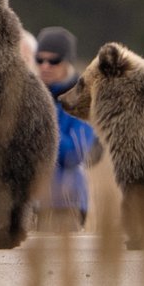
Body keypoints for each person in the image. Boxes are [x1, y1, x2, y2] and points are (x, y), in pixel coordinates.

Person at [34, 27, 97, 231]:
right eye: (40, 60)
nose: (45, 66)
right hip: (32, 203)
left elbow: (76, 153)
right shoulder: (29, 97)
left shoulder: (81, 101)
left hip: (67, 204)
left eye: (53, 61)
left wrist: (40, 131)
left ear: (67, 61)